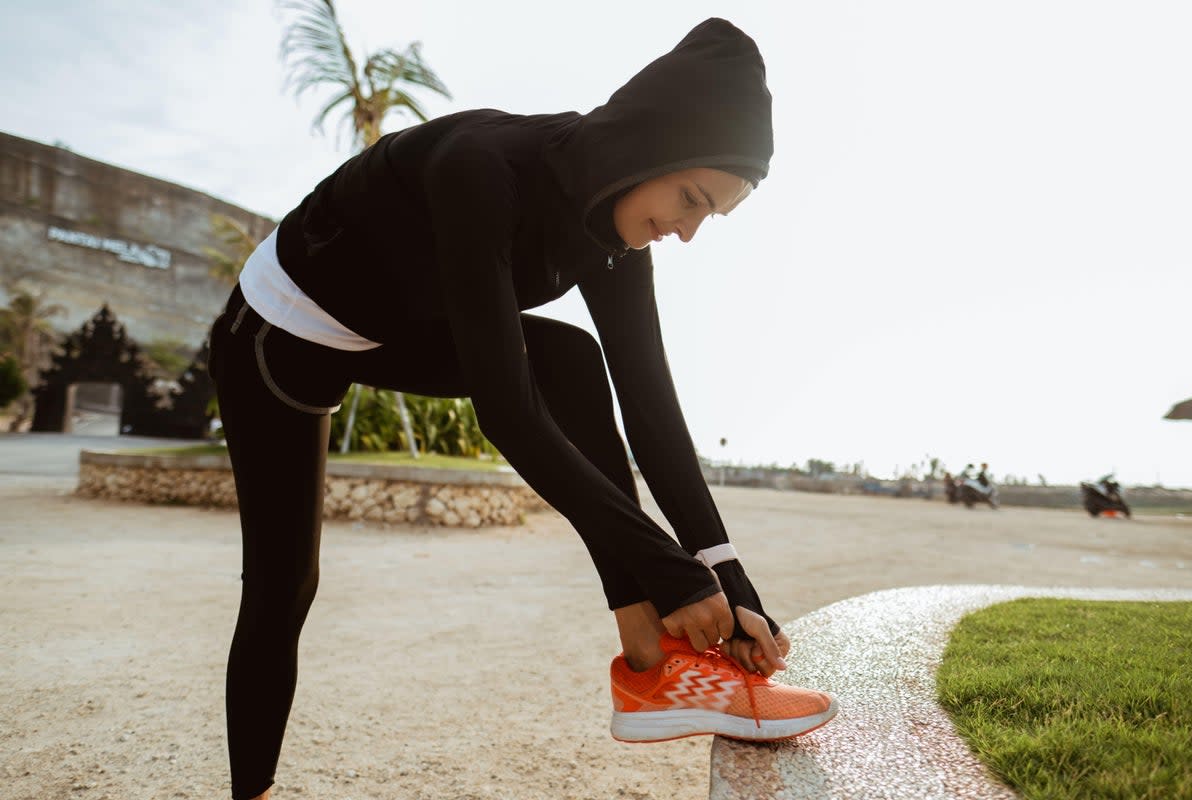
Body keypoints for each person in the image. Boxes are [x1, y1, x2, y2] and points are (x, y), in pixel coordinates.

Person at [206, 19, 836, 800]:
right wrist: (672, 573)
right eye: (690, 199)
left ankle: (648, 661)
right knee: (283, 583)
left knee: (572, 361)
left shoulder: (617, 237)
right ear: (650, 146)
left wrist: (728, 580)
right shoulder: (484, 170)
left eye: (711, 215)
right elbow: (507, 414)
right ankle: (252, 793)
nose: (687, 231)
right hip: (280, 333)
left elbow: (653, 414)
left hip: (398, 329)